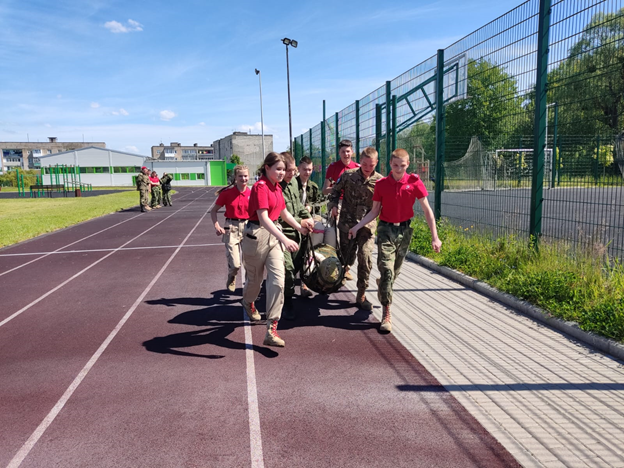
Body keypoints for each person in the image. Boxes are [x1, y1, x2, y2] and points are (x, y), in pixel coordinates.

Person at [349, 148, 442, 333]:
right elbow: (375, 211)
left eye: (403, 165)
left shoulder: (414, 182)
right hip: (385, 229)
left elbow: (427, 211)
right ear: (389, 165)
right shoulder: (382, 184)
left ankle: (383, 284)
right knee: (387, 270)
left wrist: (435, 237)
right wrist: (357, 226)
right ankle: (386, 313)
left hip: (405, 230)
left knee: (393, 273)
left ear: (408, 165)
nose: (399, 169)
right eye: (395, 165)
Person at [241, 152, 309, 347]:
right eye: (278, 169)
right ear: (267, 168)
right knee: (255, 282)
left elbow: (283, 212)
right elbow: (263, 218)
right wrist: (286, 239)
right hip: (257, 236)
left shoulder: (277, 188)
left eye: (284, 170)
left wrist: (299, 227)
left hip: (274, 237)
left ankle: (271, 328)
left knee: (278, 281)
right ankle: (248, 301)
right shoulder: (260, 187)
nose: (281, 173)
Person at [327, 147, 382, 311]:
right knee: (346, 258)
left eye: (371, 165)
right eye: (364, 164)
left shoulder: (380, 181)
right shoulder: (348, 175)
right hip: (347, 225)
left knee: (365, 258)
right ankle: (340, 276)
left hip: (367, 227)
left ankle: (361, 294)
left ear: (376, 163)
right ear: (360, 161)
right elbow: (334, 192)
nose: (367, 167)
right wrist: (333, 206)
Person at [279, 152, 316, 319]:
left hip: (298, 235)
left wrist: (308, 218)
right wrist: (301, 222)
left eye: (293, 170)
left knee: (296, 268)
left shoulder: (293, 183)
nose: (292, 173)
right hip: (282, 235)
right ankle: (287, 303)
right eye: (289, 170)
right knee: (287, 270)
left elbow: (299, 206)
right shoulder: (276, 187)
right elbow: (281, 215)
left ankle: (287, 294)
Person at [210, 165, 251, 292]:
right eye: (240, 176)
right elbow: (214, 211)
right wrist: (217, 225)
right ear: (235, 177)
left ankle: (250, 288)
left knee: (250, 262)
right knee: (235, 264)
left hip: (249, 227)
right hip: (232, 227)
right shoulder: (227, 194)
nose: (243, 179)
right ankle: (232, 275)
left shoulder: (252, 193)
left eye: (245, 176)